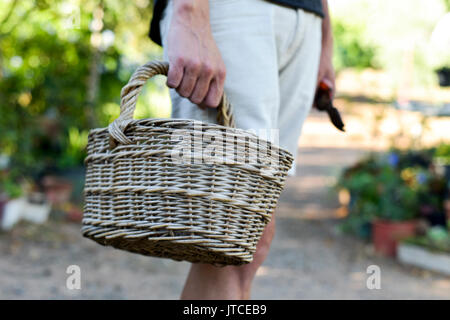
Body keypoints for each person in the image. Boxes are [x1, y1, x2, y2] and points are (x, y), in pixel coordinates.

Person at [148, 0, 335, 299]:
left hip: (305, 19)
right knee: (226, 242)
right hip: (232, 11)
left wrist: (326, 36)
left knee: (252, 242)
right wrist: (188, 11)